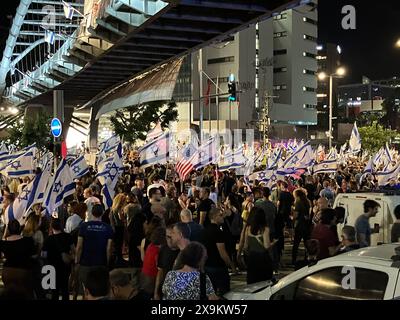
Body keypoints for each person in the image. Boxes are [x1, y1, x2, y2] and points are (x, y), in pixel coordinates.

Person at [75, 204, 113, 297]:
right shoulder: (108, 228)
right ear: (102, 213)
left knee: (85, 291)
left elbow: (79, 246)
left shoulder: (84, 226)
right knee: (99, 292)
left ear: (92, 213)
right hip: (100, 263)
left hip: (85, 262)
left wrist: (77, 261)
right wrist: (107, 262)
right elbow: (109, 248)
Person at [200, 207, 235, 296]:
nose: (222, 217)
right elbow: (222, 253)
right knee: (225, 294)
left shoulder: (205, 230)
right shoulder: (217, 232)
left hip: (207, 266)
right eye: (220, 215)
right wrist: (231, 265)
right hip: (218, 267)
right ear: (214, 217)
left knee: (211, 294)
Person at [0, 220, 35, 298]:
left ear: (8, 229)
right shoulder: (28, 241)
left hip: (8, 270)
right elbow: (33, 254)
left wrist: (5, 234)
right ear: (19, 228)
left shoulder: (4, 243)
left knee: (9, 295)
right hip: (23, 270)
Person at [42, 218, 75, 300]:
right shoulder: (68, 236)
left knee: (54, 291)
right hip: (65, 266)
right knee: (65, 289)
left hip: (52, 267)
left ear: (51, 226)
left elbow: (44, 255)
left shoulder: (48, 239)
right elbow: (74, 250)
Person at [243, 207, 276, 284]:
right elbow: (266, 246)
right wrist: (273, 243)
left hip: (252, 258)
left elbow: (245, 246)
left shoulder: (248, 228)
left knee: (253, 282)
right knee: (264, 282)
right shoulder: (265, 229)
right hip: (263, 259)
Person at [154, 225, 180, 300]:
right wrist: (156, 292)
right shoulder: (163, 249)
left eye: (171, 236)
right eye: (167, 237)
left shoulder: (183, 251)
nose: (169, 240)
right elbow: (160, 272)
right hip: (166, 290)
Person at [140, 227, 166, 296]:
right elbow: (159, 271)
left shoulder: (150, 246)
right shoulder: (158, 251)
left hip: (143, 276)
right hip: (151, 280)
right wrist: (156, 292)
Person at [292, 189, 312, 265]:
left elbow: (296, 215)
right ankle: (307, 258)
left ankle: (294, 260)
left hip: (299, 225)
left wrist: (292, 217)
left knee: (296, 244)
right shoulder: (307, 201)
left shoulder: (298, 202)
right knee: (306, 243)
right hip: (306, 225)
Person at [109, 193, 127, 266]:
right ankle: (119, 260)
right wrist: (125, 219)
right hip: (119, 227)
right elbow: (121, 218)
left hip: (114, 228)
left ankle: (117, 259)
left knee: (116, 245)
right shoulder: (119, 208)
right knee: (119, 245)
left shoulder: (112, 209)